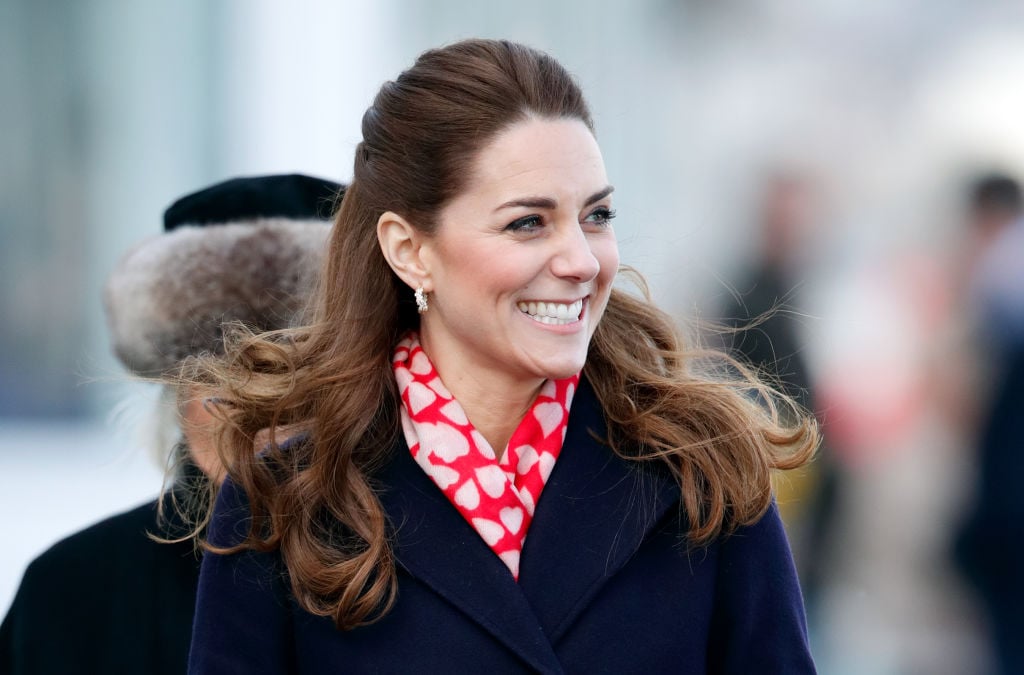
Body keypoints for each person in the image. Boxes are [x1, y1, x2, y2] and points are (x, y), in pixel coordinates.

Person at [186, 39, 818, 674]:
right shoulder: (288, 498)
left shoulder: (703, 475)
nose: (580, 260)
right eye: (528, 223)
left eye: (596, 215)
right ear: (409, 250)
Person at [0, 173, 342, 675]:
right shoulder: (75, 589)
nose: (259, 411)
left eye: (291, 374)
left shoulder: (437, 568)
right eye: (221, 378)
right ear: (176, 392)